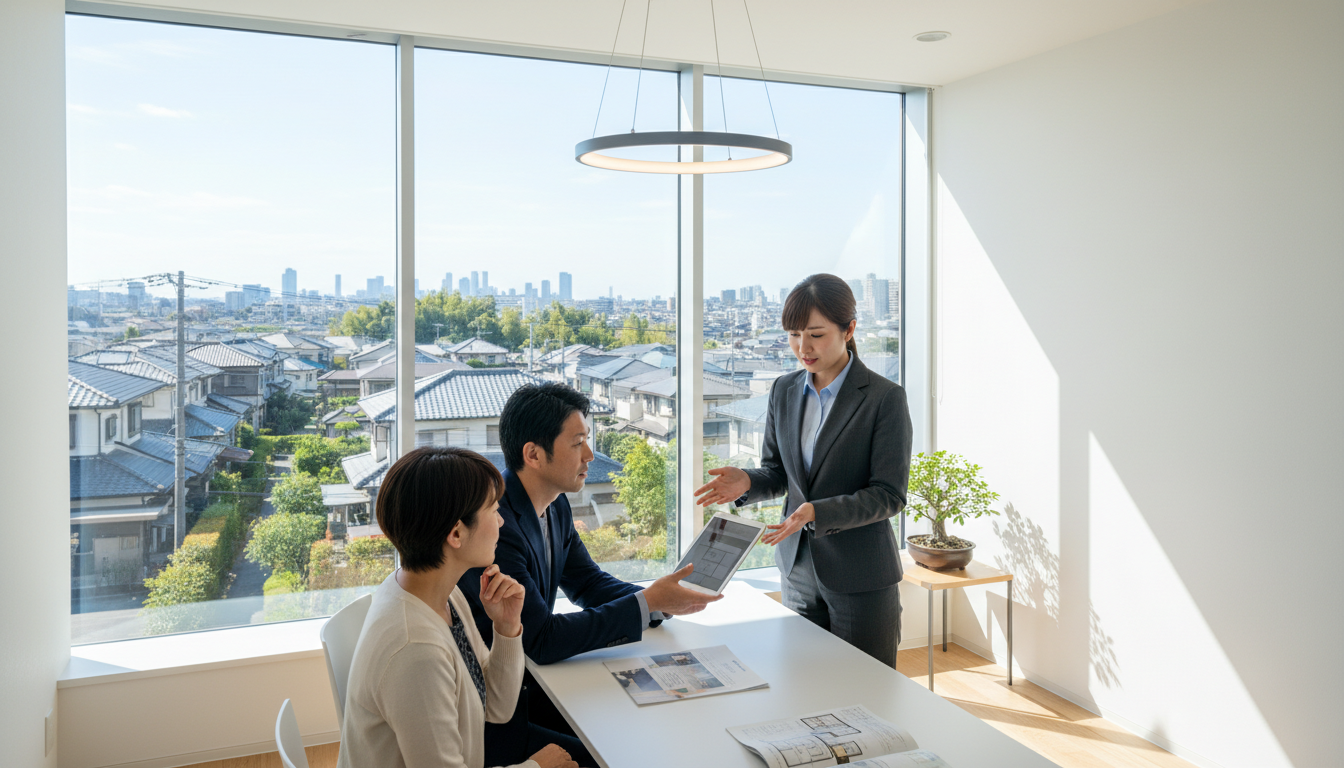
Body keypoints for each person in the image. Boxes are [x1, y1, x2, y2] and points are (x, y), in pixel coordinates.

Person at [459, 382, 723, 767]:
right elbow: (541, 640)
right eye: (577, 442)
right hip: (497, 711)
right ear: (533, 454)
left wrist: (659, 600)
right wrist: (647, 601)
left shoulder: (555, 504)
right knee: (619, 749)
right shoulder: (496, 523)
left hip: (530, 686)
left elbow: (587, 582)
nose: (590, 454)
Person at [694, 273, 913, 667]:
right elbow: (778, 472)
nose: (803, 347)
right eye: (794, 335)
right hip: (797, 569)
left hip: (861, 575)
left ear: (849, 330)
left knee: (864, 686)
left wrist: (818, 512)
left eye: (816, 335)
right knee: (801, 680)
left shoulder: (884, 398)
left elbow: (889, 494)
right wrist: (747, 482)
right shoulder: (784, 389)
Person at [337, 447, 577, 768]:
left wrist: (506, 627)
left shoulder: (438, 592)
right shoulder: (416, 650)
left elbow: (496, 707)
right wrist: (536, 766)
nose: (502, 521)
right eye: (494, 510)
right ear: (456, 533)